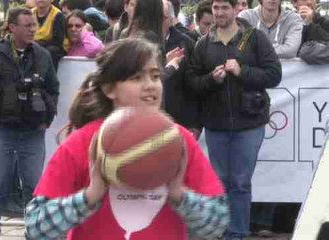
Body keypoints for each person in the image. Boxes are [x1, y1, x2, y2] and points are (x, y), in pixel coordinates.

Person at [25, 37, 229, 240]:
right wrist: (90, 197)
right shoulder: (83, 142)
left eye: (155, 76)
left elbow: (217, 224)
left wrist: (179, 195)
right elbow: (36, 227)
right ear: (109, 89)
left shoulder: (179, 140)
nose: (151, 85)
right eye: (137, 78)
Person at [185, 0, 282, 238]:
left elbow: (274, 74)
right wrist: (211, 79)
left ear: (235, 10)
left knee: (240, 183)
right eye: (216, 8)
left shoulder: (255, 38)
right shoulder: (203, 44)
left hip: (249, 124)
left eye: (224, 8)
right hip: (216, 126)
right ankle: (221, 231)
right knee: (220, 184)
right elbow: (192, 83)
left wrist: (243, 71)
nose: (219, 13)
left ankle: (236, 233)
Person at [0, 7, 60, 240]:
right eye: (28, 25)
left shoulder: (42, 55)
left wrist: (47, 117)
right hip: (2, 130)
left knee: (34, 186)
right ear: (12, 27)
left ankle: (34, 231)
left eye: (35, 25)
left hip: (33, 131)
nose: (33, 29)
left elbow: (53, 88)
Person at [162, 0, 201, 139]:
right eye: (156, 16)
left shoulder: (186, 43)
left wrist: (196, 125)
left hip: (181, 123)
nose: (159, 21)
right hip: (149, 124)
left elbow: (195, 85)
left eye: (163, 17)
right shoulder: (142, 43)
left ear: (172, 19)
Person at [238, 0, 303, 58]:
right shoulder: (246, 17)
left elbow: (290, 51)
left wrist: (256, 49)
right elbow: (240, 47)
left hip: (283, 70)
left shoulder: (293, 19)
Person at [32, 0, 66, 68]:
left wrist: (38, 45)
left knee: (51, 51)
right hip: (32, 44)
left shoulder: (58, 15)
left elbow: (58, 40)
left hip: (51, 46)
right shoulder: (29, 13)